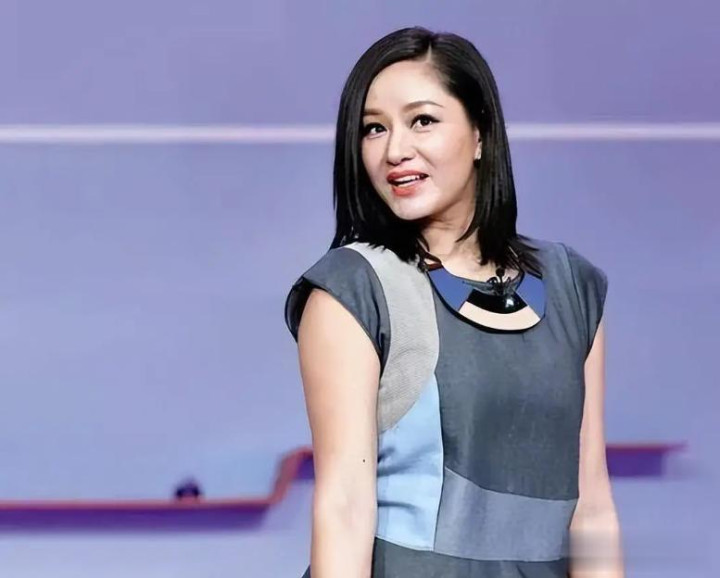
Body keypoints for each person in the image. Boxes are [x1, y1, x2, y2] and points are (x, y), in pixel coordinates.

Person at [284, 26, 625, 578]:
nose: (395, 150)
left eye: (422, 120)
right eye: (374, 128)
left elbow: (592, 507)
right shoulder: (354, 288)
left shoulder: (571, 285)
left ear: (481, 133)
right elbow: (344, 508)